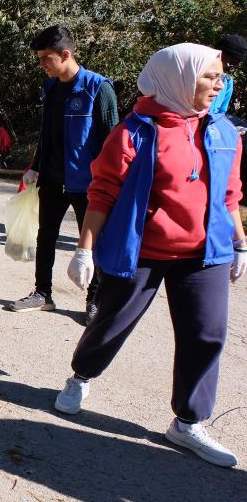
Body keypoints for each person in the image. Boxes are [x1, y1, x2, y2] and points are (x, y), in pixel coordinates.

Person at [56, 43, 245, 468]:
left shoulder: (223, 131)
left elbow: (231, 196)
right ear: (177, 78)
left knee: (207, 334)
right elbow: (102, 192)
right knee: (111, 321)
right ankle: (81, 376)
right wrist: (84, 249)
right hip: (141, 250)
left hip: (205, 253)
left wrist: (239, 241)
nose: (220, 83)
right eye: (210, 76)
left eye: (220, 76)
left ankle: (188, 423)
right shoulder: (135, 132)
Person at [7, 26, 119, 325]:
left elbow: (113, 140)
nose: (42, 64)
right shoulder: (51, 88)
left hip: (89, 184)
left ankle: (94, 300)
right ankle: (42, 293)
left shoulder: (98, 88)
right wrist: (35, 166)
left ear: (65, 54)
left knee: (92, 242)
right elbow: (47, 134)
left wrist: (109, 181)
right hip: (52, 179)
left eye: (46, 58)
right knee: (46, 237)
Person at [210, 34, 245, 115]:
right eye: (229, 61)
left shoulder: (227, 81)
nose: (229, 65)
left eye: (234, 63)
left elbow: (221, 111)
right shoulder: (199, 71)